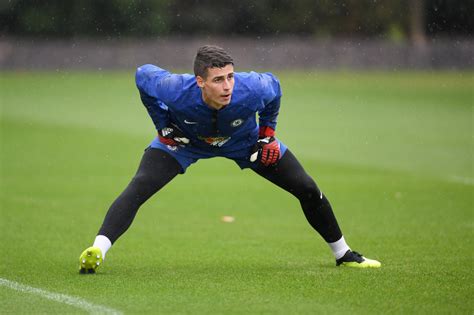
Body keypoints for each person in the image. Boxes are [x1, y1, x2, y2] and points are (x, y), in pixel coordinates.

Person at [78, 45, 380, 273]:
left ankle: (344, 254)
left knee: (307, 188)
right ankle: (96, 252)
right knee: (139, 187)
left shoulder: (252, 88)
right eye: (219, 80)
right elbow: (142, 75)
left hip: (244, 141)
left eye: (231, 77)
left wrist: (267, 135)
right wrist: (163, 126)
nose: (228, 86)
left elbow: (275, 90)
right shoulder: (175, 89)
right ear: (199, 82)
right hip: (185, 142)